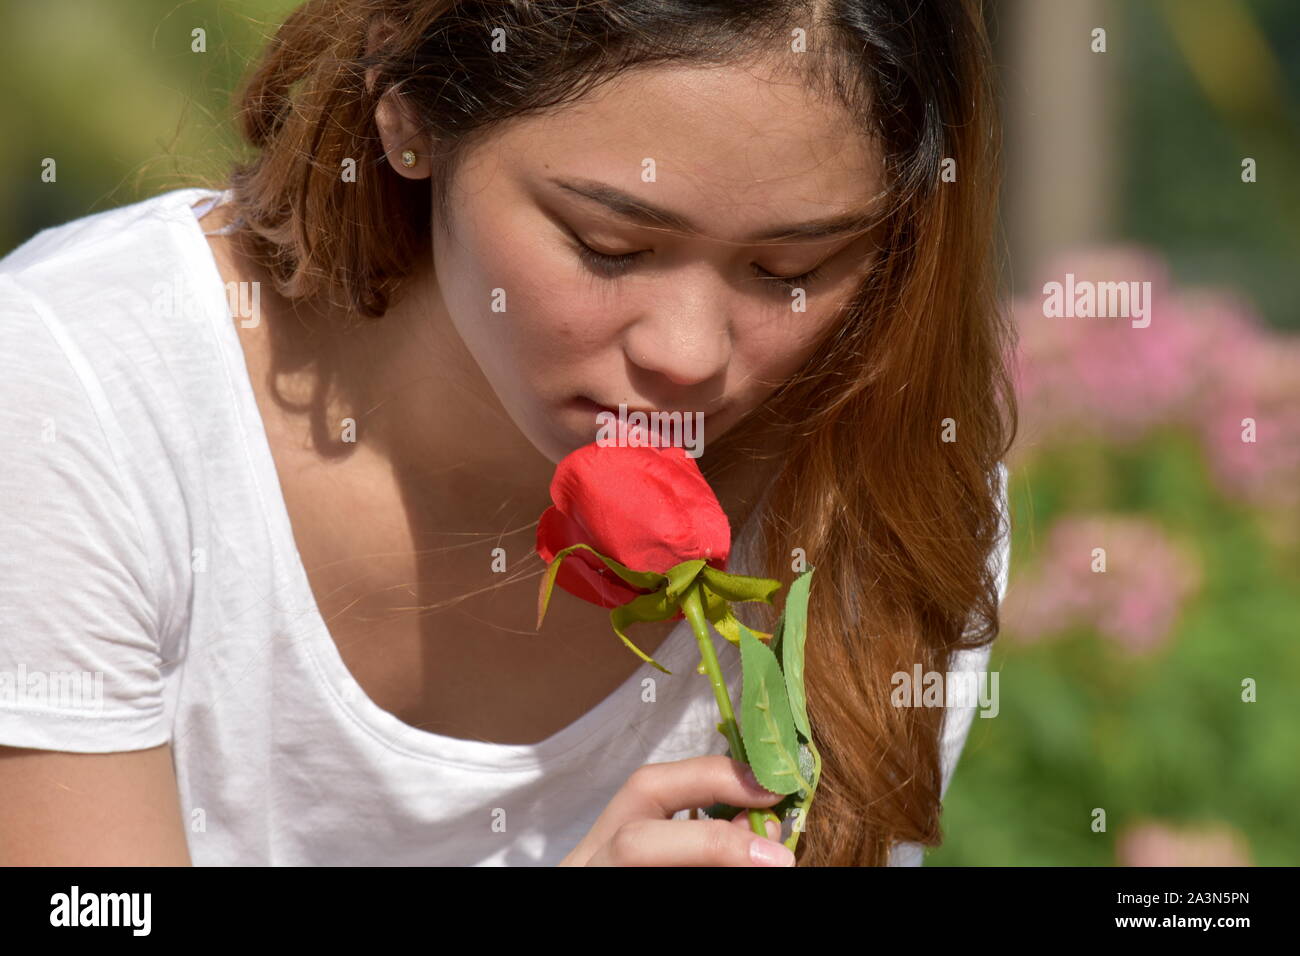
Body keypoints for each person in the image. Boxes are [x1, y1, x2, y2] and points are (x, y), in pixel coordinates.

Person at [0, 0, 1014, 866]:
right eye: (609, 245)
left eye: (790, 269)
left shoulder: (876, 477)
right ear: (408, 107)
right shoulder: (86, 392)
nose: (689, 354)